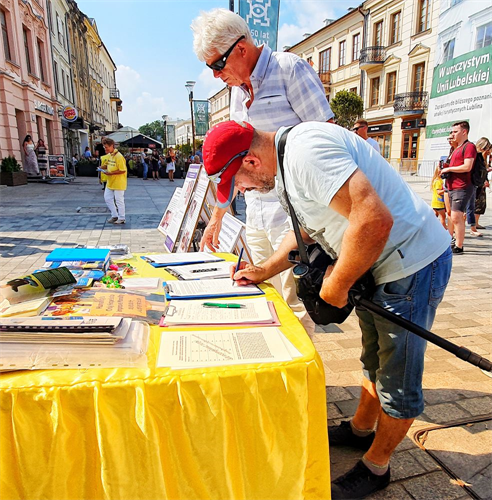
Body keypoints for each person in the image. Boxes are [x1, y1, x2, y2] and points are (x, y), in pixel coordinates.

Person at [202, 120, 452, 499]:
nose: (243, 190)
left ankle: (376, 466)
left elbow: (373, 218)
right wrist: (267, 268)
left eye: (238, 182)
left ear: (251, 161)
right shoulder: (286, 158)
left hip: (409, 265)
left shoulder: (306, 154)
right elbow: (306, 229)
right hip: (377, 263)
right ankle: (360, 430)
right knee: (374, 356)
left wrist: (336, 286)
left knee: (398, 378)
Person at [192, 8, 334, 335]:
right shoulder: (237, 91)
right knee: (264, 293)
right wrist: (218, 217)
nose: (215, 75)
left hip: (295, 213)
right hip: (257, 210)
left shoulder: (289, 70)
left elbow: (327, 139)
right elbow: (234, 159)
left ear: (241, 48)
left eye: (217, 64)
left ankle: (298, 378)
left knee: (295, 300)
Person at [440, 121, 476, 254]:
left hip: (462, 187)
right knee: (451, 215)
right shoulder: (456, 148)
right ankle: (452, 240)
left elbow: (467, 166)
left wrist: (449, 168)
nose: (453, 134)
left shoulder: (469, 147)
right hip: (451, 186)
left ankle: (459, 246)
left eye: (455, 132)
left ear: (464, 132)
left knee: (456, 216)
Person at [101, 138, 127, 224]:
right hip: (110, 182)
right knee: (107, 198)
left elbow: (123, 170)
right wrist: (102, 167)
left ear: (112, 146)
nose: (105, 149)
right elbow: (108, 164)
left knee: (119, 200)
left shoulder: (119, 156)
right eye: (104, 147)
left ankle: (122, 217)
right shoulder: (110, 155)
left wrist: (111, 173)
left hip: (118, 182)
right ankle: (114, 215)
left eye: (107, 147)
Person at [474, 137, 491, 230]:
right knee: (472, 205)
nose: (488, 151)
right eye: (486, 149)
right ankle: (472, 226)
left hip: (481, 184)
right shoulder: (476, 156)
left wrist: (486, 180)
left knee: (481, 205)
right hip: (476, 184)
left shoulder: (483, 157)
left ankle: (475, 223)